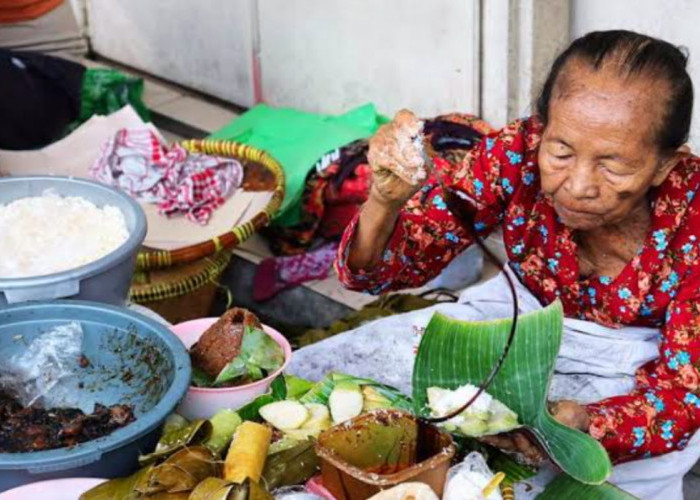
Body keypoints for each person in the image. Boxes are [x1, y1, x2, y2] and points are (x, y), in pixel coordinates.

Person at [289, 30, 700, 499]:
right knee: (333, 381)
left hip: (636, 366)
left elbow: (683, 396)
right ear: (542, 128)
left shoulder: (695, 219)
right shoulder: (515, 154)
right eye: (561, 152)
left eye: (614, 166)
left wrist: (587, 424)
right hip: (511, 319)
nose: (580, 184)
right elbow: (383, 271)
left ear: (666, 165)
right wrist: (383, 201)